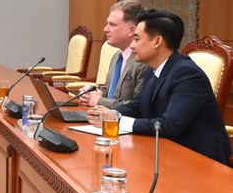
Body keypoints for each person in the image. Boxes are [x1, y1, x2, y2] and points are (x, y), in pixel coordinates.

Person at [90, 10, 231, 166]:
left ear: (157, 42)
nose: (132, 45)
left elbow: (169, 125)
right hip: (167, 151)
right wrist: (110, 115)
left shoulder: (187, 74)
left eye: (137, 39)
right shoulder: (154, 70)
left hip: (201, 159)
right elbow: (136, 106)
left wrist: (118, 121)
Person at [80, 0, 148, 108]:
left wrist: (99, 101)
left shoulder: (144, 61)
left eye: (112, 25)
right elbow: (109, 91)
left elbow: (138, 106)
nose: (105, 29)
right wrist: (91, 94)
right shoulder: (117, 56)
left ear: (132, 30)